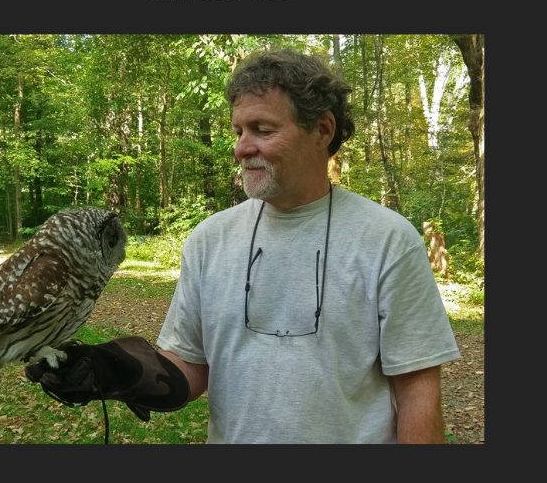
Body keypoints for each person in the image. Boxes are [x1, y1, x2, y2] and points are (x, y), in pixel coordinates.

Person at [27, 49, 461, 444]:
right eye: (238, 130)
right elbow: (189, 367)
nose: (241, 148)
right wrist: (118, 373)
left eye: (262, 129)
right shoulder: (209, 240)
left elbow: (418, 388)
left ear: (323, 130)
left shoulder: (387, 238)